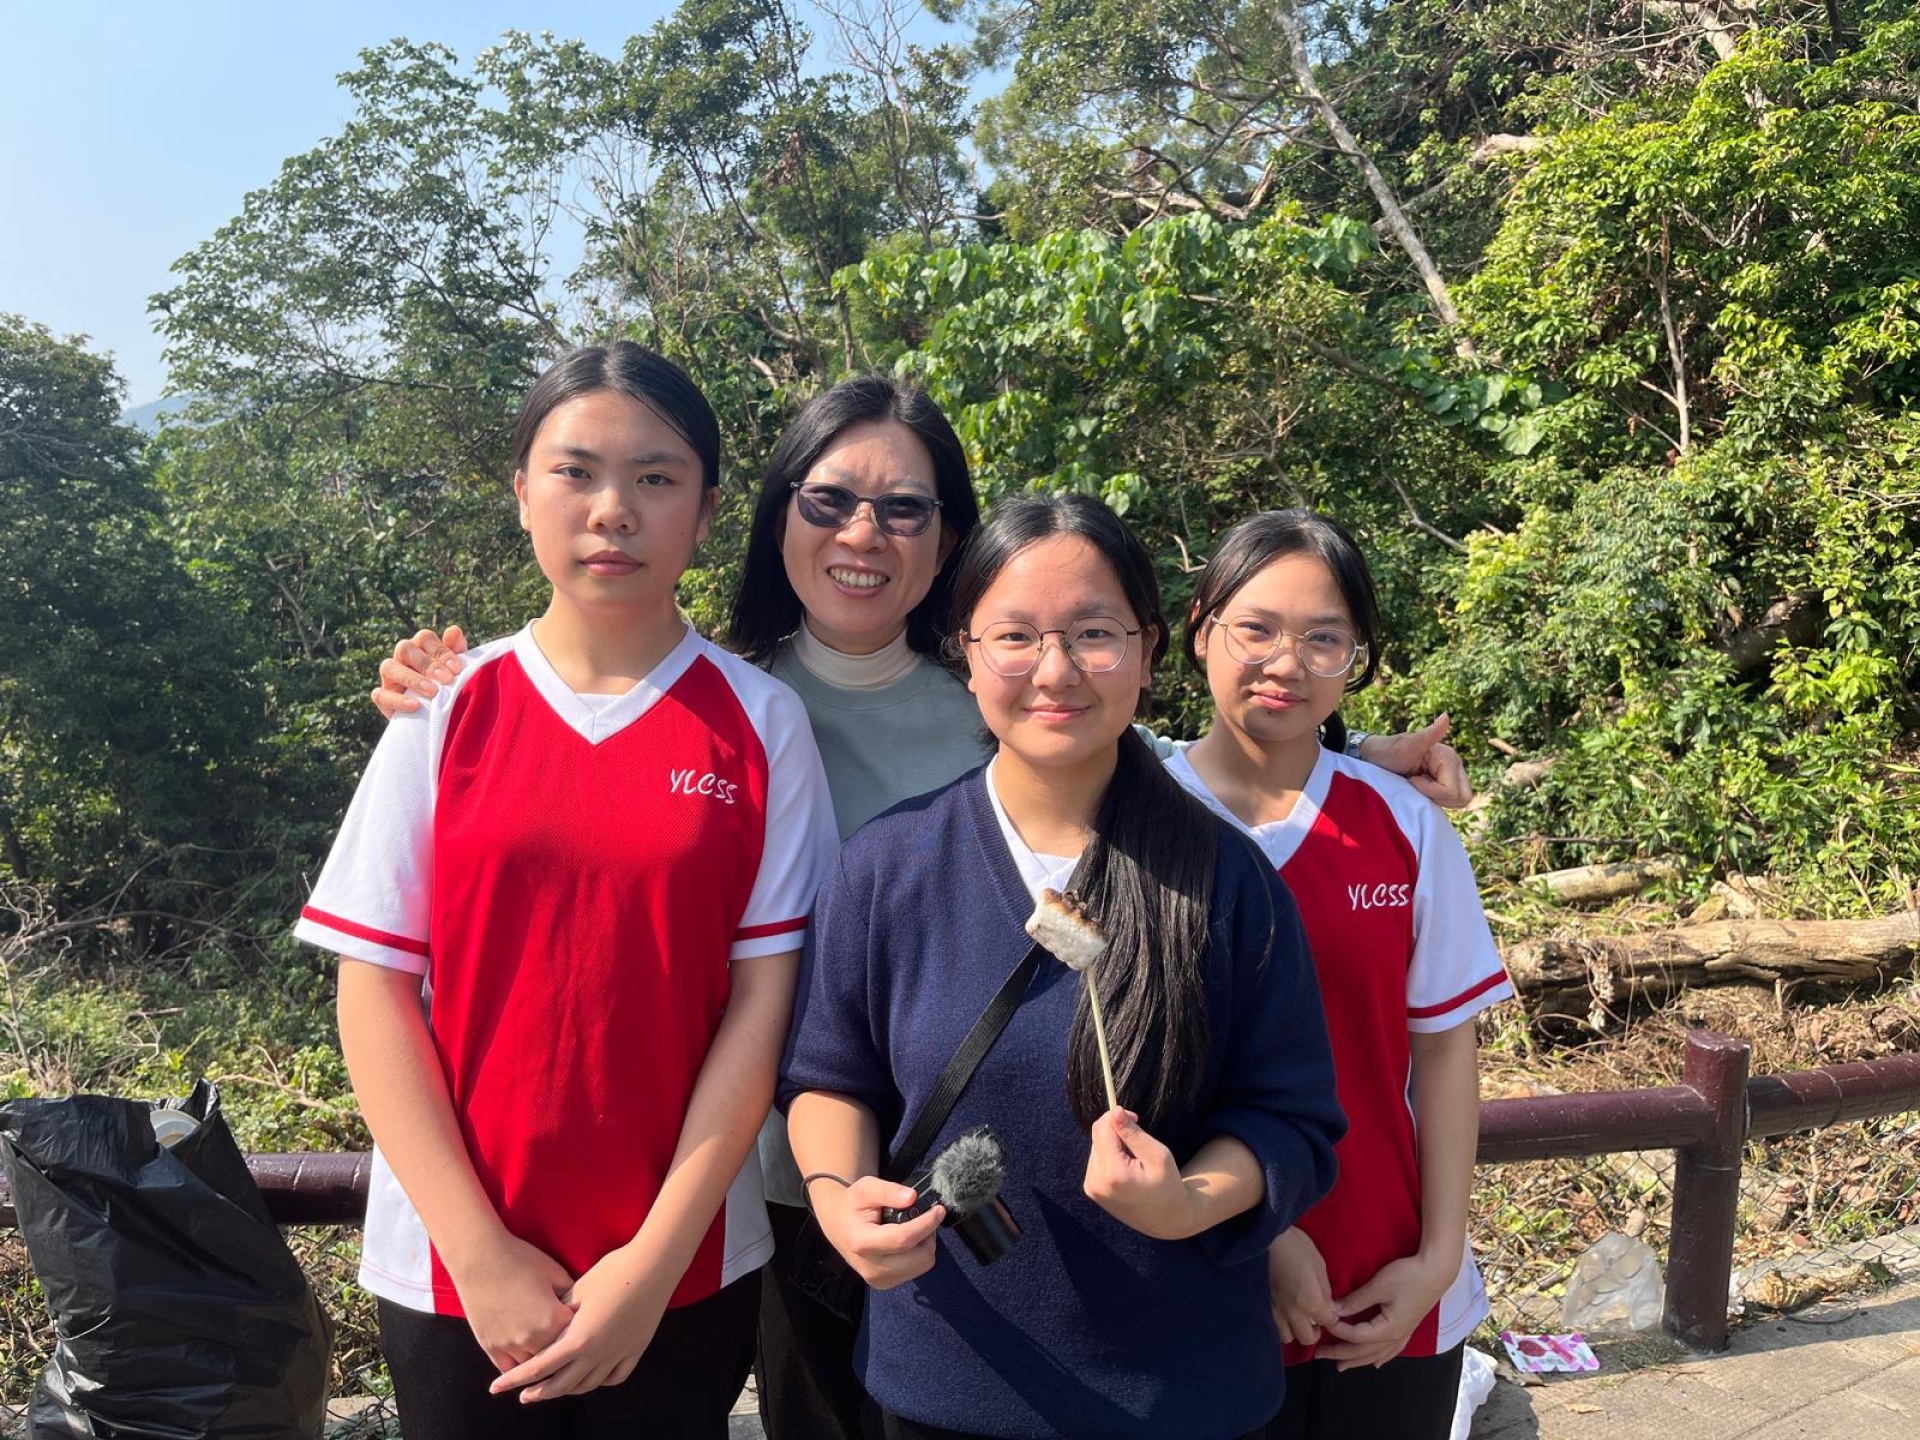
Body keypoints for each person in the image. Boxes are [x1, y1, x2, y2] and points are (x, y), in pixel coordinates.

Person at [368, 382, 1475, 1438]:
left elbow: (1143, 763)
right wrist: (453, 689)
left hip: (1076, 1276)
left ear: (949, 547)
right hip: (778, 1197)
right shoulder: (722, 702)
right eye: (829, 500)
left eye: (904, 507)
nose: (863, 533)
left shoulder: (1017, 710)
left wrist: (1349, 757)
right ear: (775, 512)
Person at [294, 343, 839, 1438]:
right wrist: (480, 1253)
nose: (613, 511)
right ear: (522, 494)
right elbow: (374, 988)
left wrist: (652, 1262)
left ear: (705, 510)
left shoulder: (760, 722)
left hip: (683, 1266)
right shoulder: (447, 708)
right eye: (575, 472)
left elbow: (763, 1005)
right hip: (453, 1270)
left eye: (655, 478)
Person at [782, 493, 1348, 1440]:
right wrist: (839, 1201)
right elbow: (828, 1078)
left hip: (1183, 1394)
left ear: (1148, 649)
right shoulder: (887, 866)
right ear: (965, 654)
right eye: (1015, 636)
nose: (1055, 671)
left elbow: (1290, 1120)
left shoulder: (1226, 878)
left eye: (1093, 634)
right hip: (945, 1379)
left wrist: (1187, 1202)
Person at [1166, 510, 1514, 1440]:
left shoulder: (1403, 824)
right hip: (1191, 1281)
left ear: (1356, 659)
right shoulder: (1135, 819)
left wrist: (1438, 1260)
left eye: (1324, 639)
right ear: (1200, 630)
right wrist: (1262, 1234)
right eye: (1256, 628)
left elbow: (1445, 1054)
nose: (1286, 663)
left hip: (1386, 1287)